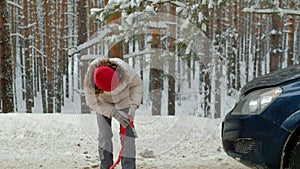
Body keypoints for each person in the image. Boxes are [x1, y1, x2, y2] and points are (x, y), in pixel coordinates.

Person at [84, 57, 143, 169]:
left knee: (128, 136)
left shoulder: (126, 71)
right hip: (102, 104)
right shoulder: (89, 79)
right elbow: (93, 103)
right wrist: (114, 113)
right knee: (104, 135)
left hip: (125, 101)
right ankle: (106, 165)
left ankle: (129, 167)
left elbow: (137, 86)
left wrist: (133, 106)